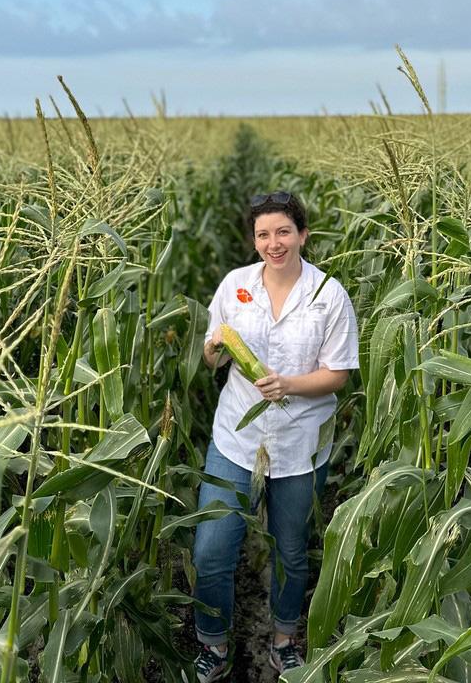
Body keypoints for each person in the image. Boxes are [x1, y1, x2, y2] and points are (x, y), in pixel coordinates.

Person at [190, 191, 359, 680]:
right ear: (254, 240)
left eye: (283, 231)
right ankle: (214, 644)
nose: (273, 242)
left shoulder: (329, 294)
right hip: (236, 437)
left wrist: (288, 385)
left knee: (290, 549)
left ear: (303, 235)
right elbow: (210, 356)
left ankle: (284, 639)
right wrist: (217, 347)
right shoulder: (235, 285)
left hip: (300, 443)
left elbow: (338, 374)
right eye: (263, 234)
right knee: (211, 549)